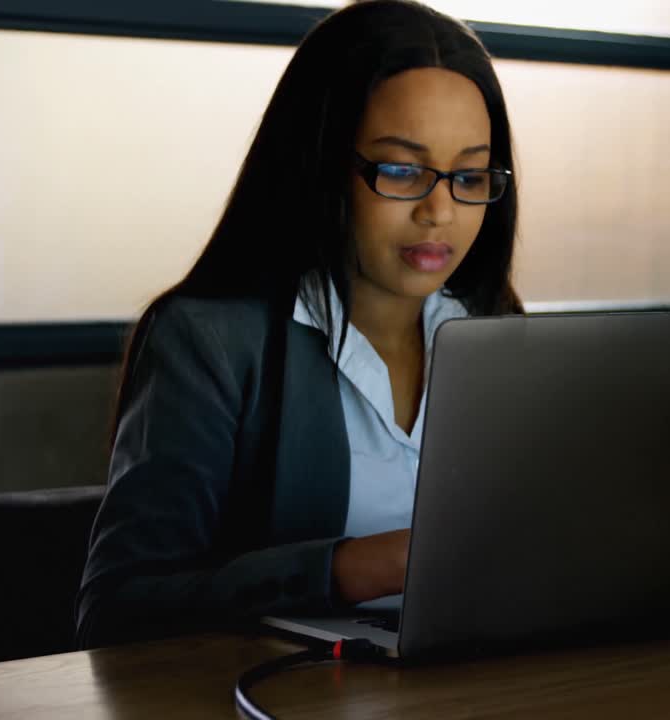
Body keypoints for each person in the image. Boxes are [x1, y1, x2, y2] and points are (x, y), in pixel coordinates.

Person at [76, 0, 521, 649]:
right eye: (400, 169)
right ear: (319, 164)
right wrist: (355, 567)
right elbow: (118, 608)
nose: (440, 210)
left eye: (470, 175)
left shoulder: (496, 330)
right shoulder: (214, 340)